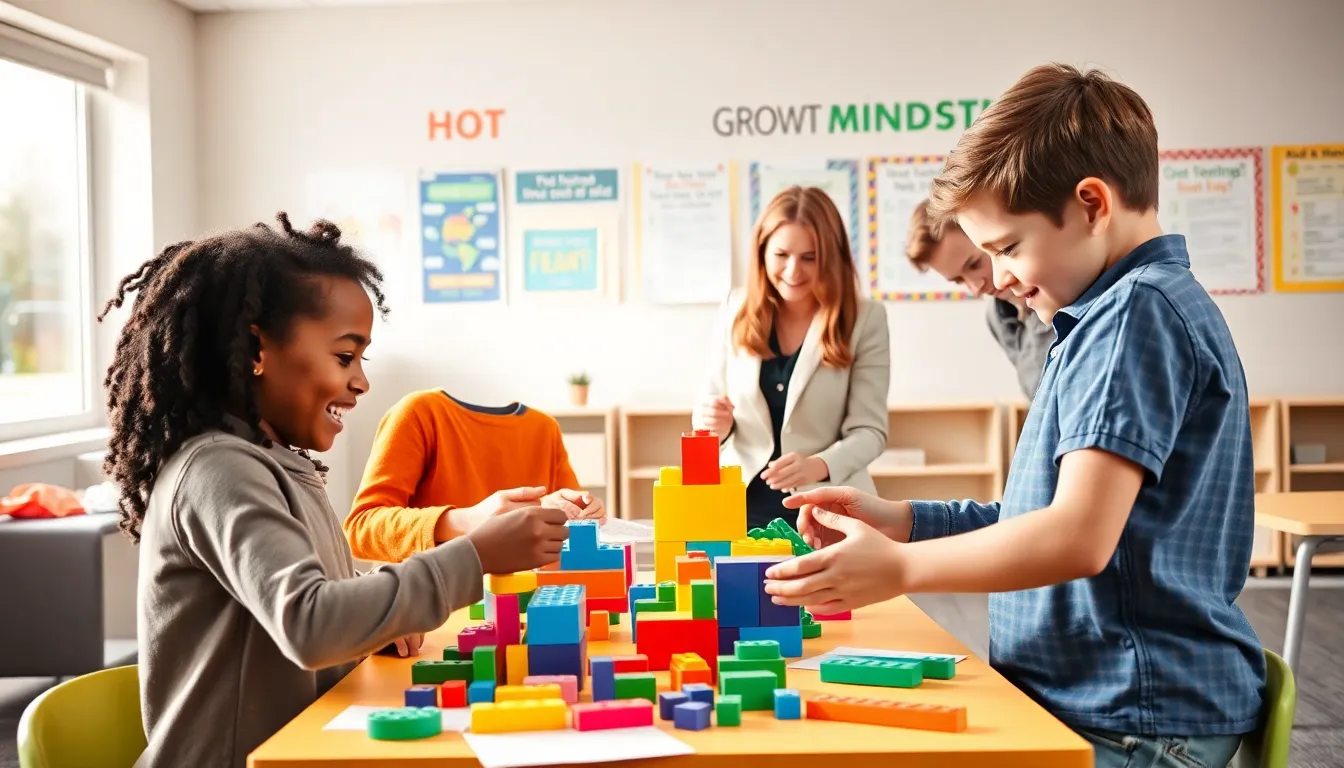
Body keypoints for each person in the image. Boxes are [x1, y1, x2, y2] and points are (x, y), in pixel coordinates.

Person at [762, 64, 1264, 768]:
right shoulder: (1101, 319)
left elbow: (1076, 538)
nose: (996, 279)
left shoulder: (1132, 316)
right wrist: (901, 521)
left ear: (1091, 204)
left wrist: (902, 568)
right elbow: (1039, 515)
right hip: (1103, 705)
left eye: (1006, 248)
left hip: (1132, 720)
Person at [99, 213, 570, 768]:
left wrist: (373, 622)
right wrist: (475, 555)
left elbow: (314, 603)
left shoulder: (274, 465)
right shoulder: (219, 470)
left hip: (302, 745)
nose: (362, 381)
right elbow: (310, 622)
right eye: (345, 356)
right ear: (258, 350)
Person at [694, 185, 889, 531]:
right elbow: (708, 413)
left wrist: (819, 464)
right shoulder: (734, 307)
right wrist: (712, 424)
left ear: (831, 257)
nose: (793, 271)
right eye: (782, 255)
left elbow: (870, 431)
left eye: (810, 257)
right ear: (762, 252)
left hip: (826, 507)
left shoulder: (865, 318)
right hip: (739, 505)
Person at [345, 390, 606, 563]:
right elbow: (361, 529)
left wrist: (583, 512)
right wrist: (468, 520)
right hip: (437, 614)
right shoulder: (418, 413)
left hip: (531, 610)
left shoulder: (545, 429)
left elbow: (572, 536)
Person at [905, 200, 1053, 400]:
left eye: (974, 264)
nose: (976, 288)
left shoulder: (1055, 289)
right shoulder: (997, 318)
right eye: (959, 280)